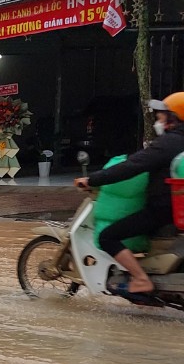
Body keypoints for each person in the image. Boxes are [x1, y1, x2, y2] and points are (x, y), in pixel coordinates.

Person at [75, 95, 184, 296]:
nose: (159, 119)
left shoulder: (170, 143)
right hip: (174, 210)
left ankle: (141, 279)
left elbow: (132, 166)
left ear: (174, 117)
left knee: (107, 236)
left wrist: (93, 180)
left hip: (163, 209)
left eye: (162, 115)